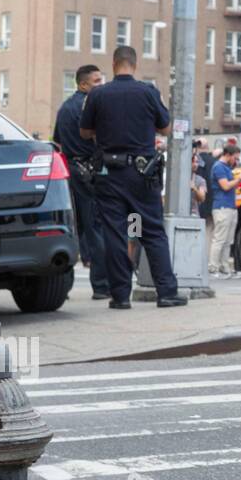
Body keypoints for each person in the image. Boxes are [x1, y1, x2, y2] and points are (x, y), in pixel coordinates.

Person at [79, 45, 187, 309]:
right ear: (134, 65)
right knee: (150, 231)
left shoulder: (98, 95)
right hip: (142, 175)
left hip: (109, 176)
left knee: (116, 233)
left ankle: (120, 296)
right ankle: (167, 292)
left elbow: (84, 132)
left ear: (114, 64)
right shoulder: (148, 92)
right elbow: (165, 127)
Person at [52, 64, 111, 301]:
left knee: (76, 230)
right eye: (97, 81)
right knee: (97, 229)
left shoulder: (65, 108)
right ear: (83, 84)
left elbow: (58, 141)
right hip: (93, 172)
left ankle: (62, 286)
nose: (101, 84)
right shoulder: (91, 107)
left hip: (72, 172)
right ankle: (101, 285)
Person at [209, 144, 241, 279]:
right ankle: (213, 267)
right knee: (219, 239)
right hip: (222, 207)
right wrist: (239, 178)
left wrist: (238, 179)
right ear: (228, 155)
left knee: (227, 240)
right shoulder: (219, 167)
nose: (235, 161)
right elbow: (225, 186)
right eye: (235, 158)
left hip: (229, 206)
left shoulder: (226, 168)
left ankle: (224, 268)